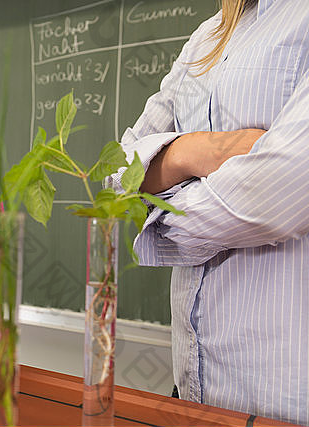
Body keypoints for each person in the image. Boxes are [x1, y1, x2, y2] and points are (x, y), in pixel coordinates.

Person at [111, 0, 309, 424]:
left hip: (284, 399)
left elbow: (276, 194)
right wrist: (197, 152)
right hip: (192, 387)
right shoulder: (207, 36)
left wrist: (159, 199)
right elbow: (117, 176)